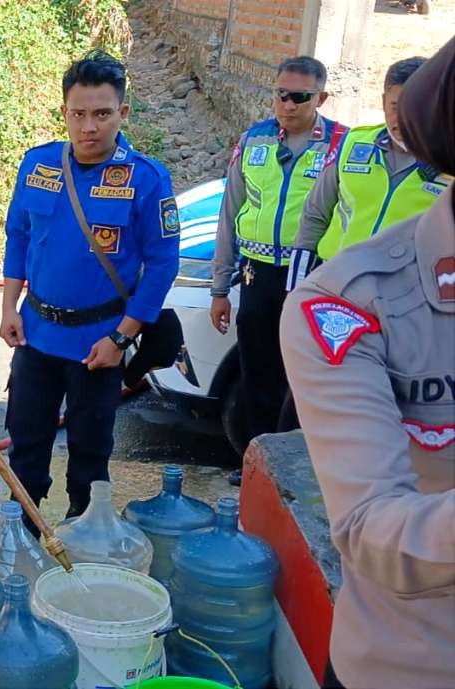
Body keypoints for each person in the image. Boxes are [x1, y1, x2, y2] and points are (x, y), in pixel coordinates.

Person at [280, 36, 454, 689]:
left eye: (299, 95)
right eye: (388, 102)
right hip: (354, 314)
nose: (393, 115)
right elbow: (313, 218)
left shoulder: (430, 175)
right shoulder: (349, 152)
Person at [0, 51, 179, 528]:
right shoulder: (37, 164)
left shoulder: (146, 179)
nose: (89, 127)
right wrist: (7, 307)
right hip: (35, 334)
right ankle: (21, 525)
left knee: (90, 446)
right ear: (64, 112)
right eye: (78, 114)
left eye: (102, 113)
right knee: (26, 438)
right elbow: (17, 235)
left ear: (123, 112)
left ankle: (84, 527)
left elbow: (162, 266)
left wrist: (122, 337)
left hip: (99, 342)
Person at [209, 56, 346, 482]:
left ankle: (298, 468)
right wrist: (219, 287)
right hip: (258, 273)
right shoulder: (254, 140)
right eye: (280, 94)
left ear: (320, 98)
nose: (287, 104)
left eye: (299, 97)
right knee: (257, 368)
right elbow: (230, 213)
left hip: (312, 275)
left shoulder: (342, 146)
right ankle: (257, 465)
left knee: (304, 374)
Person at [288, 56, 446, 289]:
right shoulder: (353, 143)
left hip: (406, 293)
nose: (404, 118)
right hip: (335, 280)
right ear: (383, 103)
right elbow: (314, 216)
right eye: (396, 106)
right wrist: (296, 287)